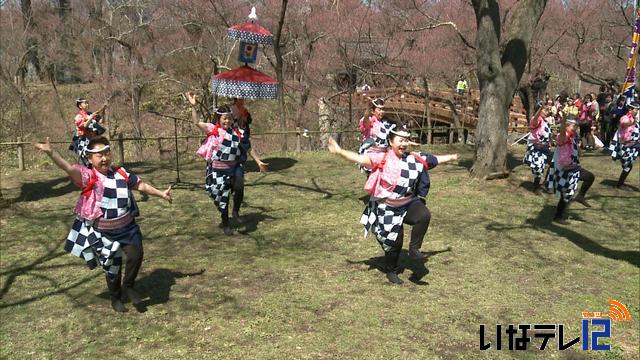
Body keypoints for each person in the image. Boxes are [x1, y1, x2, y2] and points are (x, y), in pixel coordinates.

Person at [34, 136, 173, 312]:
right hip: (104, 232)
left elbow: (141, 185)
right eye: (99, 155)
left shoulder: (121, 174)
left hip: (128, 228)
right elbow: (68, 168)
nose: (104, 158)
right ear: (90, 159)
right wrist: (51, 153)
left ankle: (129, 286)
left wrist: (161, 193)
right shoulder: (88, 176)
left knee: (136, 255)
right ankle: (115, 298)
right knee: (112, 267)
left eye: (107, 153)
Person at [327, 126, 458, 284]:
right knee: (394, 244)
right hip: (386, 208)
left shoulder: (415, 158)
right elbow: (359, 159)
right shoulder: (381, 159)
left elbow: (435, 159)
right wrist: (340, 151)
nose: (403, 144)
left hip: (407, 203)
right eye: (400, 140)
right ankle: (391, 270)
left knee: (424, 215)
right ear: (391, 141)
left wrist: (453, 156)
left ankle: (414, 249)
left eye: (405, 140)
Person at [189, 94, 249, 235]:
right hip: (218, 170)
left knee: (239, 186)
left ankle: (235, 212)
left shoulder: (235, 131)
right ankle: (225, 223)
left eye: (229, 118)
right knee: (223, 197)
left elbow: (246, 144)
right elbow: (197, 122)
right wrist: (193, 106)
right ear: (219, 119)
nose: (227, 121)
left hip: (234, 168)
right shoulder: (212, 129)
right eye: (224, 118)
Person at [546, 116, 595, 224]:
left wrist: (578, 150)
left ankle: (580, 196)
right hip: (564, 170)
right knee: (565, 194)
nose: (575, 128)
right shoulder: (562, 137)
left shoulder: (572, 136)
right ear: (567, 126)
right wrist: (563, 121)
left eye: (576, 126)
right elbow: (563, 132)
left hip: (573, 167)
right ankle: (558, 217)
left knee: (590, 177)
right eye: (574, 126)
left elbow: (574, 148)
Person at [609, 101, 639, 189]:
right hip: (624, 145)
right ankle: (620, 184)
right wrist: (632, 123)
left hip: (632, 144)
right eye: (635, 109)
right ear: (630, 109)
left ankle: (620, 183)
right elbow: (623, 124)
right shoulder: (625, 118)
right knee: (628, 165)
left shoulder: (635, 118)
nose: (637, 111)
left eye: (637, 110)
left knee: (629, 165)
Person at [358, 98, 396, 166]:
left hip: (384, 153)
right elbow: (366, 120)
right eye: (379, 109)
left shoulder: (386, 122)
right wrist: (368, 108)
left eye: (383, 109)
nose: (382, 112)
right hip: (371, 153)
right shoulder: (370, 120)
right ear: (372, 111)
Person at [523, 106, 551, 195]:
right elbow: (534, 120)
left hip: (545, 148)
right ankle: (536, 186)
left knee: (553, 165)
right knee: (538, 168)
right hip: (536, 148)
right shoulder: (537, 120)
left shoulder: (546, 122)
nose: (547, 112)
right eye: (545, 110)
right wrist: (539, 109)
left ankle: (548, 183)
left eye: (548, 110)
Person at [70, 98, 106, 167]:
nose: (87, 104)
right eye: (85, 103)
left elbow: (102, 121)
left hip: (94, 140)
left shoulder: (90, 114)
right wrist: (91, 117)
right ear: (80, 106)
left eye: (87, 103)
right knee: (87, 160)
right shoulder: (78, 116)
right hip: (84, 141)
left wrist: (103, 111)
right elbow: (84, 126)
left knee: (97, 158)